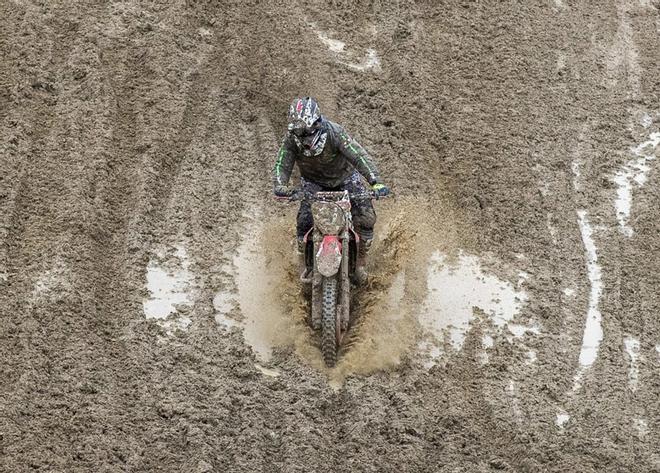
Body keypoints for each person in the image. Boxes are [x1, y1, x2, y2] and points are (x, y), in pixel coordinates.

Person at [272, 96, 390, 284]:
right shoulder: (291, 141)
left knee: (365, 217)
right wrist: (280, 185)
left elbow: (358, 155)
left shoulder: (335, 133)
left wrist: (375, 182)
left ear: (317, 124)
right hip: (312, 182)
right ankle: (304, 263)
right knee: (304, 221)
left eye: (308, 130)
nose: (304, 136)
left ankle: (360, 262)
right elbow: (283, 163)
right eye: (299, 131)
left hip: (345, 179)